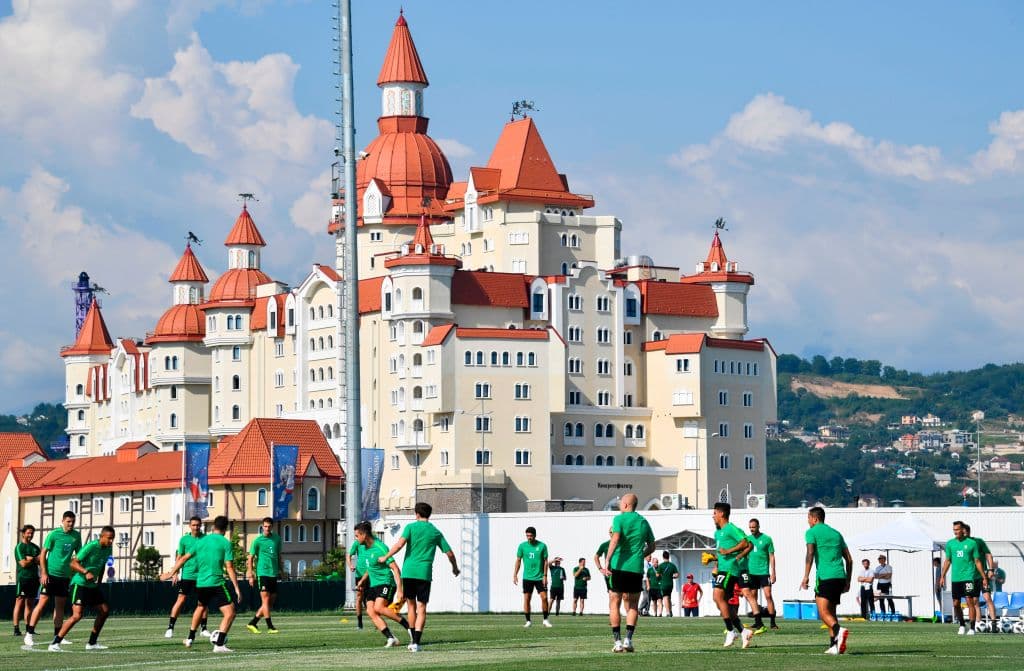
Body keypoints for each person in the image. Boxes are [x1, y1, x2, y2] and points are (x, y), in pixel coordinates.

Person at [379, 502, 460, 652]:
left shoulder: (410, 527)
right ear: (429, 515)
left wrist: (385, 557)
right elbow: (450, 553)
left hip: (408, 572)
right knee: (422, 607)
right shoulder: (435, 532)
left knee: (411, 606)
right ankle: (416, 642)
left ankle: (412, 638)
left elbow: (399, 545)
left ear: (416, 514)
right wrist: (455, 568)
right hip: (424, 573)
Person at [160, 514, 243, 652]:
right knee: (230, 613)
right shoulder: (225, 543)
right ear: (225, 529)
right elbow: (229, 567)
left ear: (213, 527)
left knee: (201, 607)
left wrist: (171, 573)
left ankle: (190, 638)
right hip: (216, 582)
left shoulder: (201, 541)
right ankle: (219, 644)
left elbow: (183, 558)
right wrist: (236, 588)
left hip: (201, 583)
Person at [597, 493, 655, 653]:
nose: (620, 505)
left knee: (614, 603)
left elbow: (615, 539)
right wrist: (639, 556)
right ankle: (628, 640)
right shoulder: (643, 522)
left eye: (621, 502)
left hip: (619, 566)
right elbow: (652, 546)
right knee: (633, 605)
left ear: (626, 505)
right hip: (635, 569)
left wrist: (607, 559)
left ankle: (617, 642)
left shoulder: (619, 519)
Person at [48, 526, 115, 652]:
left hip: (92, 586)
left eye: (113, 539)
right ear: (102, 536)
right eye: (109, 538)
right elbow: (73, 563)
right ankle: (55, 643)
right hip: (79, 584)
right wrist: (85, 572)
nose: (111, 541)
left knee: (104, 611)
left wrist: (99, 582)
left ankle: (92, 643)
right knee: (77, 615)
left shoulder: (108, 549)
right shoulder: (91, 546)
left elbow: (101, 566)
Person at [24, 511, 82, 647]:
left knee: (60, 606)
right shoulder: (54, 534)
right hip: (50, 574)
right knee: (42, 602)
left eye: (73, 521)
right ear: (62, 521)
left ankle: (58, 635)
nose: (71, 524)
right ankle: (29, 634)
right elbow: (43, 554)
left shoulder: (76, 536)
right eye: (68, 521)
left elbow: (79, 555)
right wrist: (44, 573)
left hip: (65, 576)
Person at [800, 506, 853, 655]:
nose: (808, 521)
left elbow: (810, 554)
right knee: (831, 612)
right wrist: (848, 581)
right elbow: (849, 560)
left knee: (823, 613)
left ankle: (839, 630)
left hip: (825, 576)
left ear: (815, 519)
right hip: (839, 576)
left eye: (809, 518)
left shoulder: (811, 532)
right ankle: (834, 646)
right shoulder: (836, 534)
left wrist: (805, 576)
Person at [353, 521, 411, 647]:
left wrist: (400, 590)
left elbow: (395, 569)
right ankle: (391, 638)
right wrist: (362, 581)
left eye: (357, 536)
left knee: (379, 607)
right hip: (373, 585)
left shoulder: (380, 547)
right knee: (370, 611)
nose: (356, 539)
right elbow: (371, 568)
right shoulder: (364, 548)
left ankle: (409, 627)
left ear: (364, 535)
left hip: (386, 582)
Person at [711, 502, 756, 649]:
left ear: (721, 514)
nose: (713, 516)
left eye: (715, 513)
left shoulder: (731, 528)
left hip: (731, 570)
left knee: (717, 597)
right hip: (723, 568)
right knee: (721, 602)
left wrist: (730, 552)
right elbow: (721, 553)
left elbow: (745, 543)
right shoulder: (717, 532)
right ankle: (743, 631)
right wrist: (713, 559)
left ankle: (731, 631)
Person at [940, 520, 987, 635]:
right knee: (955, 603)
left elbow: (977, 561)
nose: (955, 532)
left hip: (968, 577)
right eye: (954, 530)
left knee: (969, 601)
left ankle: (972, 628)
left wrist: (984, 577)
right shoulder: (950, 544)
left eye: (957, 529)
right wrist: (942, 576)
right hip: (956, 578)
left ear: (962, 530)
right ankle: (961, 624)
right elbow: (947, 561)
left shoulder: (972, 543)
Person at [166, 517, 208, 639]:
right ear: (189, 526)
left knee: (203, 602)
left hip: (202, 576)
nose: (196, 527)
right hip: (187, 575)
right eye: (194, 525)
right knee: (181, 600)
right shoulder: (184, 540)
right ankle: (170, 627)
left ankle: (204, 628)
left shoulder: (205, 539)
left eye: (198, 525)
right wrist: (175, 573)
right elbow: (180, 557)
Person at [247, 517, 283, 634]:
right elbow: (250, 558)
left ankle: (253, 622)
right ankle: (270, 626)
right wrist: (250, 574)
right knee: (265, 600)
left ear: (272, 527)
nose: (267, 528)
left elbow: (279, 555)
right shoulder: (257, 541)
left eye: (269, 526)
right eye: (265, 526)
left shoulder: (277, 539)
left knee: (270, 602)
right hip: (263, 573)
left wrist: (281, 570)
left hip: (273, 573)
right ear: (262, 527)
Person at [513, 526, 551, 628]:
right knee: (527, 599)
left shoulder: (542, 546)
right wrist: (515, 574)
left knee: (544, 597)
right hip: (527, 578)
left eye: (530, 535)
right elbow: (518, 560)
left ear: (535, 535)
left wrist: (545, 576)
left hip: (539, 577)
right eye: (527, 535)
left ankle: (545, 619)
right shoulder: (522, 546)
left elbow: (546, 561)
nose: (529, 537)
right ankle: (528, 621)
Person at [746, 518, 777, 629]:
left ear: (758, 526)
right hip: (751, 573)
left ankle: (773, 622)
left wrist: (773, 572)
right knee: (753, 597)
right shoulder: (747, 539)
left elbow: (772, 556)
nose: (752, 529)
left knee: (768, 595)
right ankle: (757, 621)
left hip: (764, 572)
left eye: (753, 527)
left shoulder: (767, 539)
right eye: (750, 527)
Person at [964, 524, 997, 628]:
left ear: (969, 532)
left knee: (988, 598)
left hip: (983, 577)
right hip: (969, 578)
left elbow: (988, 554)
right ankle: (977, 624)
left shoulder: (978, 541)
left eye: (964, 533)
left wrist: (991, 569)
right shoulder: (960, 545)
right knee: (974, 601)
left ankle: (993, 623)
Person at [13, 524, 40, 638]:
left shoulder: (35, 547)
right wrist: (33, 559)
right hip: (23, 578)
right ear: (23, 533)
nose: (30, 535)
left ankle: (29, 628)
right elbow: (23, 564)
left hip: (34, 579)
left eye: (32, 533)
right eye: (28, 532)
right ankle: (16, 628)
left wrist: (31, 559)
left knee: (30, 604)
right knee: (19, 602)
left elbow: (41, 561)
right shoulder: (19, 547)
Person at [348, 535, 368, 630]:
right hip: (360, 574)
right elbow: (348, 555)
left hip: (371, 573)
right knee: (359, 597)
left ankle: (376, 620)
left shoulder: (373, 543)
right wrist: (350, 565)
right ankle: (360, 623)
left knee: (371, 598)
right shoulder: (357, 543)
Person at [658, 551, 678, 617]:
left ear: (663, 557)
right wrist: (672, 576)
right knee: (669, 597)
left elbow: (657, 575)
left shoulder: (661, 565)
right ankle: (670, 610)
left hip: (664, 584)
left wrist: (661, 576)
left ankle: (668, 612)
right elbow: (677, 575)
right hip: (670, 584)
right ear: (668, 557)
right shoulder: (672, 565)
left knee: (665, 597)